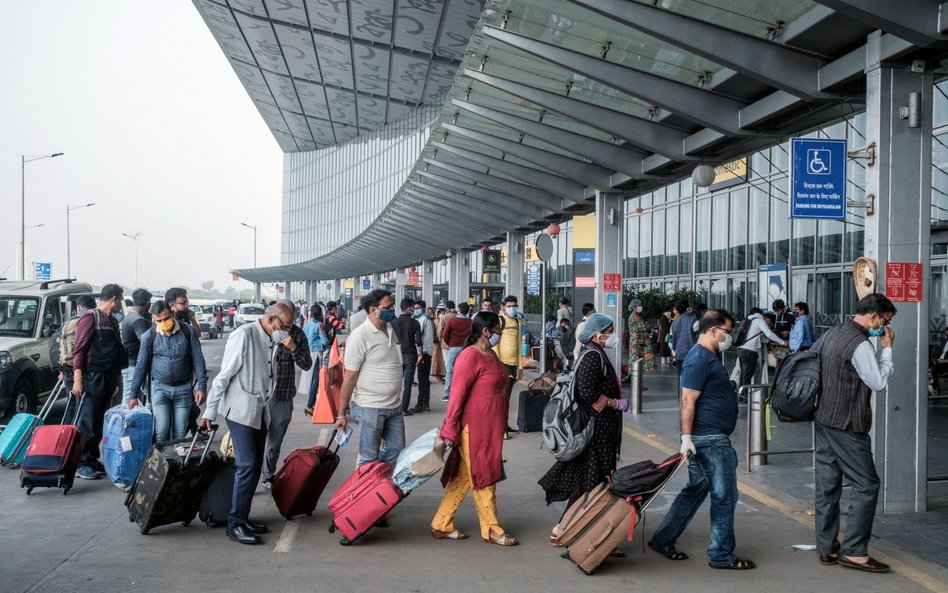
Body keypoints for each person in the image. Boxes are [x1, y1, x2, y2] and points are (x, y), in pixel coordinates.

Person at [649, 309, 755, 570]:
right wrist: (686, 437)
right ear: (712, 330)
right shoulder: (699, 358)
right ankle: (720, 555)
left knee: (696, 490)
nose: (729, 337)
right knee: (725, 495)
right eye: (727, 332)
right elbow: (687, 399)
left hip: (707, 436)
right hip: (709, 438)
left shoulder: (709, 356)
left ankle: (662, 539)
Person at [201, 302, 296, 545]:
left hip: (260, 411)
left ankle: (243, 518)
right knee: (248, 465)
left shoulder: (272, 338)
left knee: (254, 467)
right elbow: (223, 377)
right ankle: (235, 524)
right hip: (240, 411)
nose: (287, 330)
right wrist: (209, 412)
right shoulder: (243, 335)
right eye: (284, 326)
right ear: (272, 319)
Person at [814, 293, 896, 573]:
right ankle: (854, 551)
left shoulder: (835, 332)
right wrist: (887, 349)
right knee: (866, 484)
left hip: (825, 418)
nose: (884, 328)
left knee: (828, 486)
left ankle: (826, 548)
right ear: (874, 316)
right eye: (885, 321)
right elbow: (878, 382)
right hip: (848, 423)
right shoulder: (860, 344)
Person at [431, 311, 518, 546]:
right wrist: (449, 429)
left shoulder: (490, 354)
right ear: (485, 332)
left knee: (462, 477)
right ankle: (491, 528)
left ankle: (441, 523)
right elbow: (457, 396)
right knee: (484, 476)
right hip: (474, 429)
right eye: (498, 330)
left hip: (491, 428)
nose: (501, 334)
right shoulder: (469, 356)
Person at [540, 313, 627, 546]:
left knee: (591, 483)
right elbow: (586, 392)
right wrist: (614, 403)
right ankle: (566, 529)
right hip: (596, 431)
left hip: (600, 430)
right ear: (599, 334)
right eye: (609, 331)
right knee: (593, 484)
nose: (612, 335)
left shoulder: (596, 353)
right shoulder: (592, 356)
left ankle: (570, 529)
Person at [333, 289, 406, 467]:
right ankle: (363, 487)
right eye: (388, 307)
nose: (392, 310)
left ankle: (377, 484)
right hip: (370, 407)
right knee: (369, 457)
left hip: (394, 406)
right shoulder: (359, 337)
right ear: (374, 310)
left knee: (397, 450)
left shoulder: (391, 329)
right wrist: (341, 414)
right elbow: (349, 378)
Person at [128, 300, 208, 441]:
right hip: (159, 388)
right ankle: (162, 462)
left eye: (166, 318)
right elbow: (141, 366)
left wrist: (202, 387)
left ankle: (176, 462)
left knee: (180, 431)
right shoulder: (149, 336)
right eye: (159, 320)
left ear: (172, 313)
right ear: (154, 319)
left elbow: (198, 359)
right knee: (161, 431)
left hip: (183, 389)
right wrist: (133, 395)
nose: (164, 322)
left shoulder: (187, 331)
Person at [71, 284, 127, 480]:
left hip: (108, 376)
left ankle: (92, 458)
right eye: (120, 299)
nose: (120, 304)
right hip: (91, 377)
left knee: (98, 421)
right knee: (86, 421)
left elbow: (117, 353)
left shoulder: (111, 321)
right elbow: (79, 350)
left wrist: (118, 378)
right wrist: (78, 379)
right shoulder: (89, 318)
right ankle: (80, 463)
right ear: (114, 299)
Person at [261, 300, 312, 489]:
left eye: (289, 324)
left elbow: (307, 364)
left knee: (274, 442)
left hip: (282, 395)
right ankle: (247, 475)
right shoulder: (262, 332)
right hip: (258, 396)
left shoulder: (297, 334)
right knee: (252, 441)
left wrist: (293, 349)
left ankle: (268, 475)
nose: (286, 328)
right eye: (284, 324)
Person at [736, 307, 788, 388]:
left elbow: (757, 336)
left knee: (743, 373)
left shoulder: (747, 320)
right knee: (747, 374)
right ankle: (745, 395)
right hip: (750, 350)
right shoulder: (759, 320)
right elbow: (769, 333)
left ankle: (741, 393)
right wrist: (782, 342)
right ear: (760, 314)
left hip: (740, 348)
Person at [495, 296, 523, 438]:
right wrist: (499, 367)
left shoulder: (517, 321)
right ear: (504, 306)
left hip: (513, 365)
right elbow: (495, 345)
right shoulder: (500, 320)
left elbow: (518, 344)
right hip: (503, 365)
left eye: (515, 305)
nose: (513, 308)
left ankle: (504, 425)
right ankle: (500, 429)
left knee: (507, 398)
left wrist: (520, 366)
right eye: (510, 305)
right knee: (502, 398)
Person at [59, 295, 97, 395]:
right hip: (90, 370)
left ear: (78, 308)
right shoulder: (95, 320)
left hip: (70, 369)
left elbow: (58, 344)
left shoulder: (69, 322)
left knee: (72, 404)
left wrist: (60, 369)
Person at [120, 288, 152, 404]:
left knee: (152, 397)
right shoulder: (138, 320)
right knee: (129, 400)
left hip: (132, 364)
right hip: (134, 366)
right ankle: (123, 422)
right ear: (147, 302)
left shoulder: (129, 317)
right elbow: (146, 342)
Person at [392, 297, 423, 416]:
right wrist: (420, 354)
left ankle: (393, 407)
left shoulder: (393, 323)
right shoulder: (415, 323)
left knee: (395, 382)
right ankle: (404, 409)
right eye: (413, 307)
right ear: (409, 308)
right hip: (410, 354)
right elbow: (419, 341)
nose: (414, 309)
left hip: (396, 355)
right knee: (408, 383)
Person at [441, 302, 472, 402]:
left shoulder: (452, 321)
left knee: (450, 371)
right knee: (465, 371)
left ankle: (447, 394)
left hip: (453, 347)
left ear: (459, 310)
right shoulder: (470, 322)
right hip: (466, 348)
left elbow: (445, 334)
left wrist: (450, 343)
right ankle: (465, 393)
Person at [302, 304, 328, 417]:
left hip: (307, 352)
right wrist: (324, 346)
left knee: (310, 379)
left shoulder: (306, 325)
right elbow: (325, 341)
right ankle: (309, 405)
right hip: (317, 353)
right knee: (316, 380)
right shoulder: (320, 325)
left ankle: (310, 404)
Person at [409, 300, 434, 413]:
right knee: (425, 379)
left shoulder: (423, 319)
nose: (415, 310)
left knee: (422, 378)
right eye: (414, 308)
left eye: (417, 308)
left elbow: (416, 334)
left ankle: (421, 403)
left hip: (423, 352)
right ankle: (426, 403)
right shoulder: (427, 318)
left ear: (423, 308)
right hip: (427, 351)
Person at [670, 300, 697, 375]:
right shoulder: (693, 320)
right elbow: (699, 337)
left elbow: (671, 339)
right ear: (687, 308)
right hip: (692, 353)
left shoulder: (674, 322)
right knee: (691, 377)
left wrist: (674, 352)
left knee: (681, 376)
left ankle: (680, 387)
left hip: (679, 354)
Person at [628, 298, 655, 371]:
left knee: (638, 359)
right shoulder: (634, 317)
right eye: (639, 305)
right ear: (634, 306)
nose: (640, 307)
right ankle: (632, 375)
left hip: (640, 341)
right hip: (637, 342)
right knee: (635, 358)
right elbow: (643, 327)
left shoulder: (638, 316)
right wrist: (648, 326)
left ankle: (635, 373)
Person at [430, 303, 447, 384]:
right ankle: (437, 375)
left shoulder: (441, 320)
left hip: (441, 343)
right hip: (438, 343)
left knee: (441, 359)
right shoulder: (436, 321)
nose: (442, 315)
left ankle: (439, 375)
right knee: (437, 359)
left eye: (443, 313)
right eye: (441, 313)